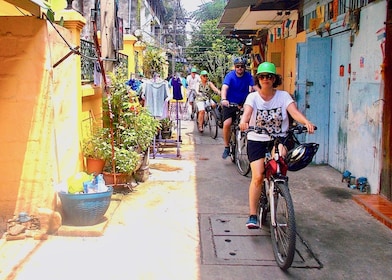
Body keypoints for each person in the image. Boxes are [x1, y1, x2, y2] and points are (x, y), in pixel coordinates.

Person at [238, 62, 315, 229]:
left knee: (279, 165)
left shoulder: (284, 96)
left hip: (279, 138)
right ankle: (252, 215)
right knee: (258, 176)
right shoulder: (253, 97)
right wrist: (244, 123)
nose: (266, 79)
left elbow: (294, 113)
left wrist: (306, 122)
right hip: (257, 138)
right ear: (258, 79)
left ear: (274, 79)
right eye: (262, 76)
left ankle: (276, 188)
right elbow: (247, 113)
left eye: (269, 76)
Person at [221, 57, 256, 159]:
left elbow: (255, 87)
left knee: (251, 124)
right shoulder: (230, 76)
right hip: (230, 103)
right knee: (227, 123)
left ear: (245, 67)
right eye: (237, 66)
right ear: (235, 67)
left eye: (242, 66)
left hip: (244, 104)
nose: (240, 68)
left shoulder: (248, 76)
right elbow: (224, 88)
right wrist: (224, 99)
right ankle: (227, 146)